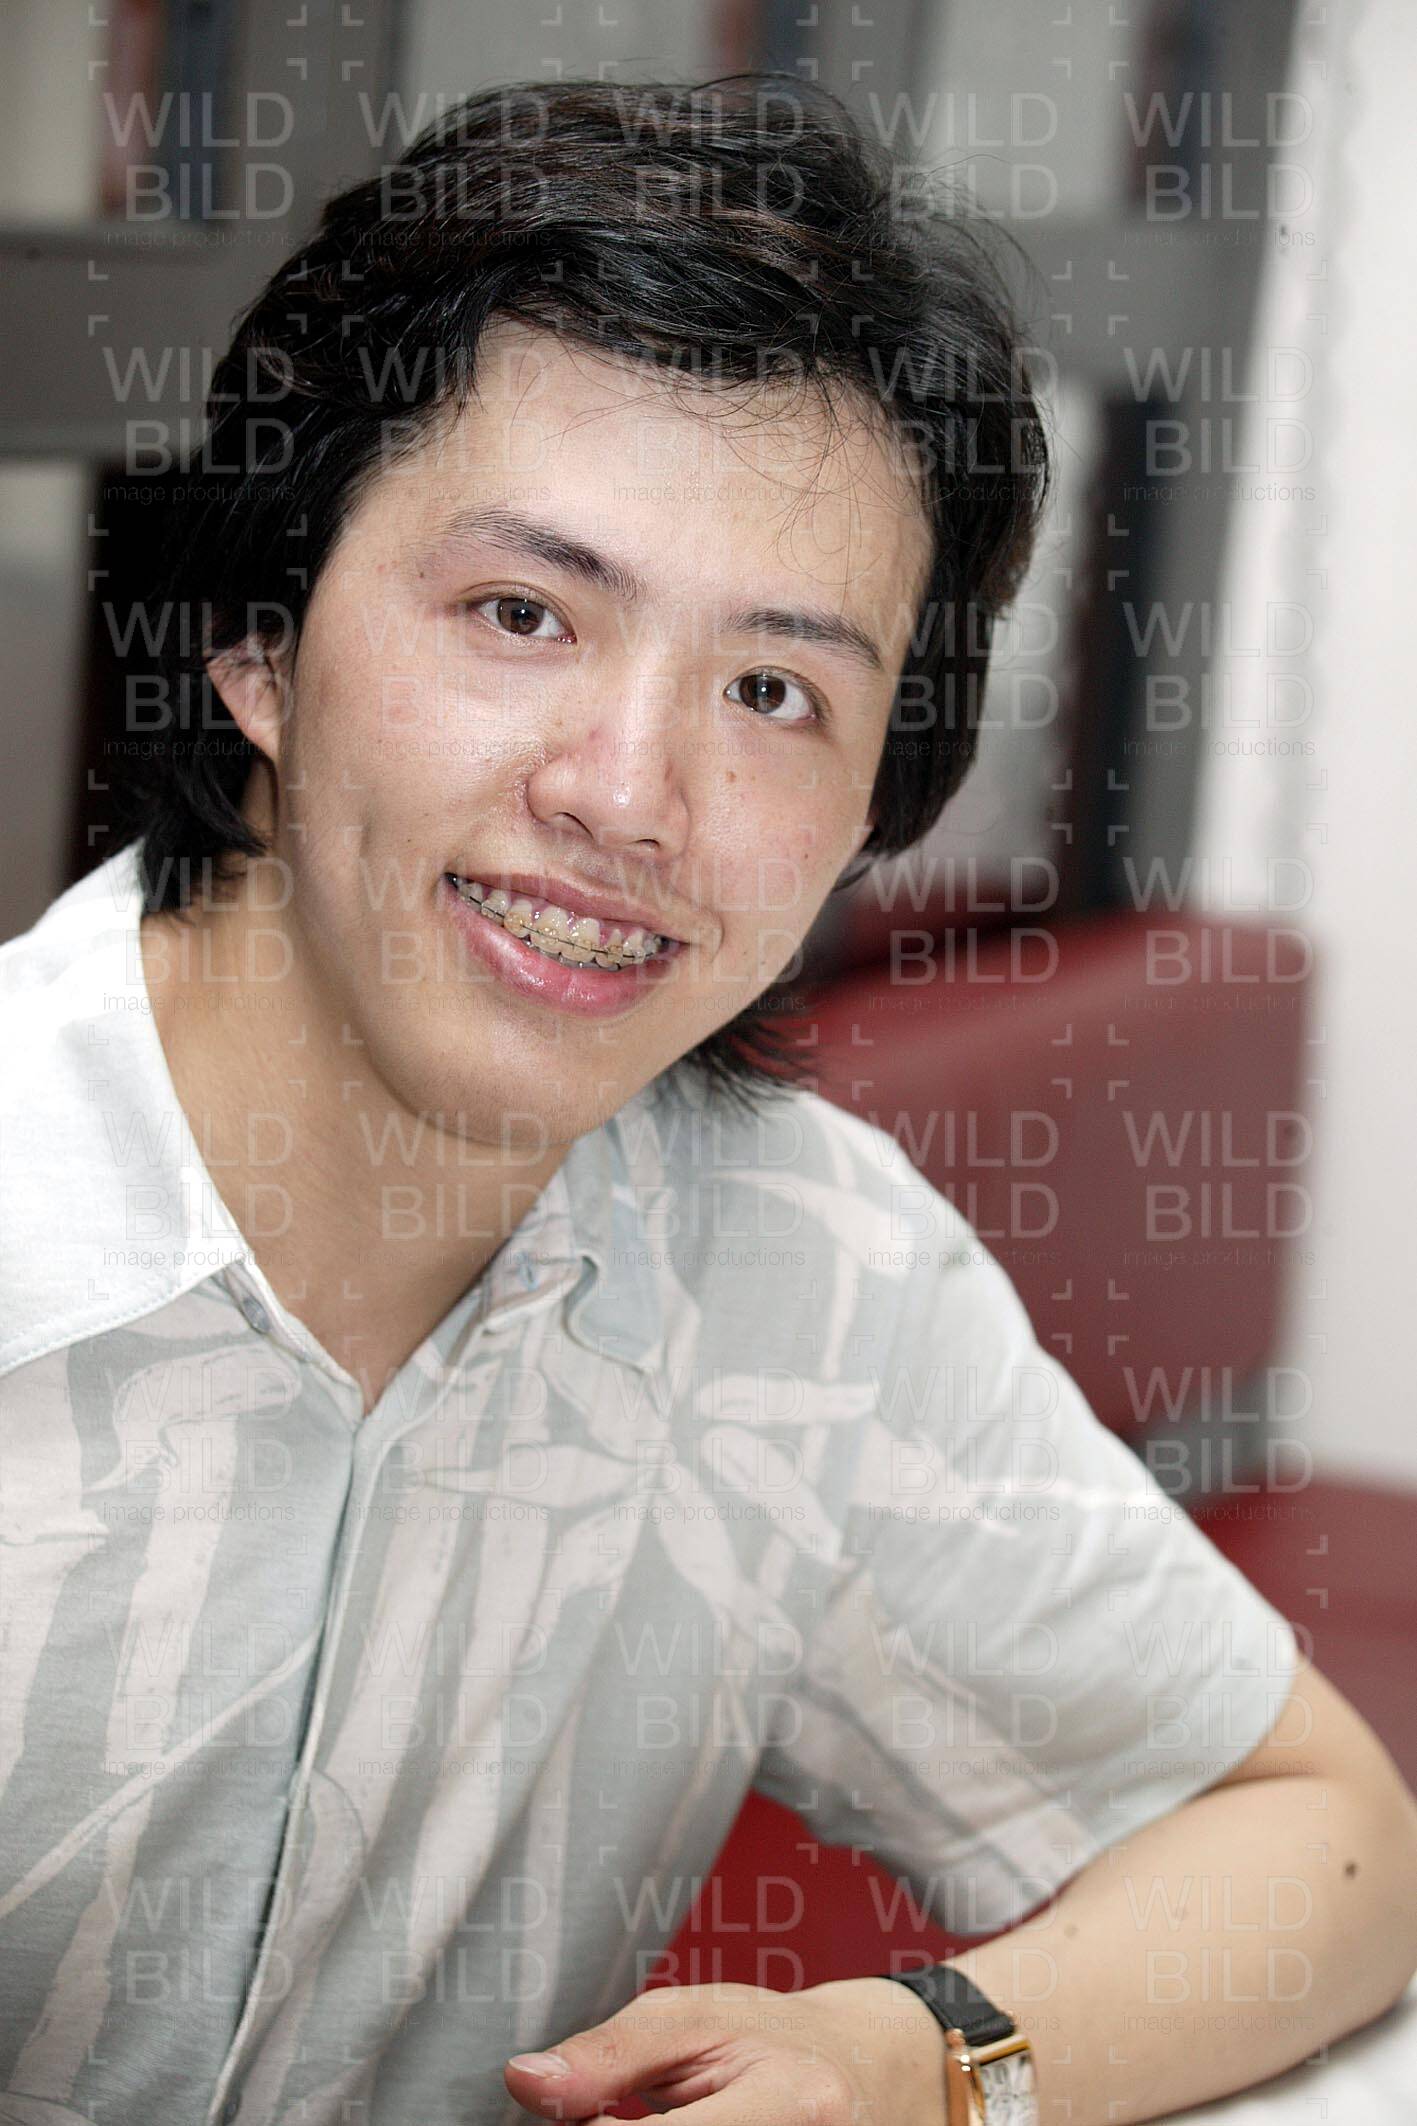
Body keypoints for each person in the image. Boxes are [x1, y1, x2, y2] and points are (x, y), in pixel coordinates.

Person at [2, 74, 1414, 2126]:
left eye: (772, 691)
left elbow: (1323, 1843)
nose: (626, 795)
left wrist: (915, 2057)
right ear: (257, 647)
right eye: (520, 614)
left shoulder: (798, 1270)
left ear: (869, 806)